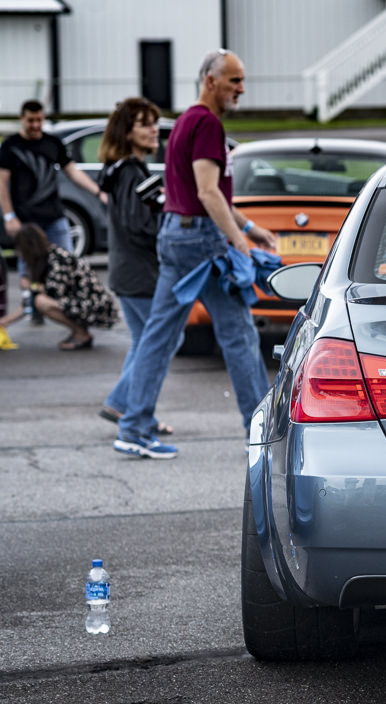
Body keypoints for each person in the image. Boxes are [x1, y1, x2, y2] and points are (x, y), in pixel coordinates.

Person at [113, 49, 277, 460]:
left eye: (242, 80)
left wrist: (249, 229)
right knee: (239, 335)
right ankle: (260, 430)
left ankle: (133, 428)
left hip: (177, 234)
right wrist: (239, 243)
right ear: (210, 80)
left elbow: (209, 193)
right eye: (234, 80)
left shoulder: (187, 120)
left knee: (160, 335)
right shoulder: (207, 124)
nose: (241, 88)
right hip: (201, 240)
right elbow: (207, 192)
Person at [96, 96, 175, 436]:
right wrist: (170, 230)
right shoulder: (130, 172)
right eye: (145, 124)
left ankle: (127, 406)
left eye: (154, 123)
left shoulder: (123, 170)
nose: (154, 130)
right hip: (139, 274)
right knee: (163, 341)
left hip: (128, 271)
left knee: (147, 341)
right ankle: (128, 407)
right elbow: (137, 224)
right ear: (126, 132)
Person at [1, 99, 108, 324]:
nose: (35, 125)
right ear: (22, 119)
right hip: (26, 221)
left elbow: (73, 171)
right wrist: (9, 216)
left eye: (39, 120)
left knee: (66, 263)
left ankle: (69, 309)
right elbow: (2, 182)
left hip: (54, 216)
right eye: (31, 120)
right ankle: (33, 307)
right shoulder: (11, 146)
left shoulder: (52, 143)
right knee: (28, 268)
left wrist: (98, 191)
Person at [14, 224, 116, 350]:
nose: (19, 253)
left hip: (97, 307)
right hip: (82, 303)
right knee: (40, 300)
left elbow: (55, 293)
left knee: (41, 302)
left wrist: (32, 287)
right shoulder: (45, 258)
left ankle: (81, 334)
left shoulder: (57, 259)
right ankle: (78, 331)